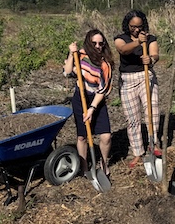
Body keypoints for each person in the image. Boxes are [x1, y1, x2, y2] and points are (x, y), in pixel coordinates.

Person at [63, 29, 114, 176]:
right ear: (88, 43)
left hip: (97, 100)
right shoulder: (80, 55)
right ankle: (84, 167)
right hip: (80, 97)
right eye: (94, 43)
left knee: (106, 136)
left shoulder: (106, 64)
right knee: (82, 136)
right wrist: (72, 54)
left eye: (100, 43)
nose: (98, 46)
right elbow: (67, 72)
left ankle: (104, 164)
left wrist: (92, 109)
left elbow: (103, 89)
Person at [114, 10, 161, 169]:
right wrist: (138, 42)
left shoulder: (150, 38)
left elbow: (155, 54)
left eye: (139, 26)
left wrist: (151, 59)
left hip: (146, 76)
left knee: (152, 112)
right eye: (133, 26)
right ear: (127, 25)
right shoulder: (121, 39)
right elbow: (123, 50)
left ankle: (153, 144)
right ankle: (137, 153)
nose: (136, 29)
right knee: (132, 118)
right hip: (128, 79)